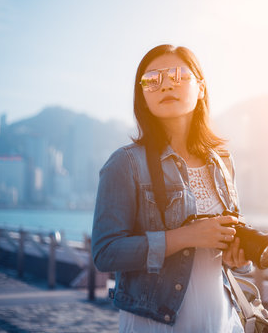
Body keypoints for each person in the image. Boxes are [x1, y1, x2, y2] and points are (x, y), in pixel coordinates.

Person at [92, 44, 251, 332]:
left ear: (201, 87)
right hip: (155, 324)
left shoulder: (223, 162)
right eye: (152, 80)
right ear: (142, 95)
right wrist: (185, 236)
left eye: (178, 75)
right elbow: (105, 253)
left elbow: (229, 255)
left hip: (223, 322)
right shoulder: (125, 163)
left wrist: (237, 258)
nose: (166, 84)